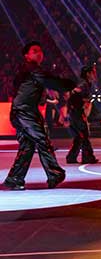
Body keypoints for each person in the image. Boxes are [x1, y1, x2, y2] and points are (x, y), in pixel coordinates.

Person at [3, 41, 74, 190]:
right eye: (34, 51)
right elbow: (52, 82)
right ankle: (54, 173)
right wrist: (71, 84)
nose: (39, 53)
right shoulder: (33, 69)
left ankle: (14, 178)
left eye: (40, 51)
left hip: (23, 111)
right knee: (42, 140)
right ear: (26, 55)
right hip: (24, 112)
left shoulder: (28, 70)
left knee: (27, 146)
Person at [66, 64, 99, 164]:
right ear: (88, 73)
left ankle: (71, 157)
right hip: (76, 112)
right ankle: (87, 157)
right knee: (84, 134)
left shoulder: (86, 84)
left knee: (79, 136)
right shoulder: (83, 84)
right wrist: (81, 103)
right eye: (93, 72)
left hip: (76, 111)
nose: (95, 74)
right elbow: (74, 94)